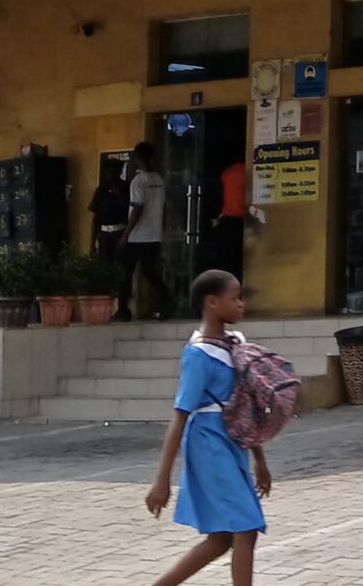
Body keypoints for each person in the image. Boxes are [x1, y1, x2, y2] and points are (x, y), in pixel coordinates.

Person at [144, 269, 269, 586]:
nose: (241, 304)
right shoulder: (198, 354)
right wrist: (162, 481)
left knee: (221, 538)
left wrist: (260, 460)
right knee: (246, 528)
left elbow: (245, 406)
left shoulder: (235, 344)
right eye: (234, 298)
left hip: (233, 441)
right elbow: (179, 417)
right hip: (208, 443)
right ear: (212, 302)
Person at [122, 143, 168, 321]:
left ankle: (123, 309)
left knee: (126, 272)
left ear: (137, 158)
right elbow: (164, 206)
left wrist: (126, 234)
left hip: (137, 236)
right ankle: (166, 298)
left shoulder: (138, 181)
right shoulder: (158, 179)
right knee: (149, 271)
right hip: (154, 234)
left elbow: (137, 209)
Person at [91, 158, 130, 266]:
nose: (111, 176)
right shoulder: (101, 190)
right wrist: (92, 243)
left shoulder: (127, 188)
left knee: (120, 266)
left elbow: (130, 211)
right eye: (108, 172)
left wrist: (119, 195)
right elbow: (95, 217)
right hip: (104, 234)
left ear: (120, 172)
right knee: (104, 266)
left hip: (120, 232)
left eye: (114, 172)